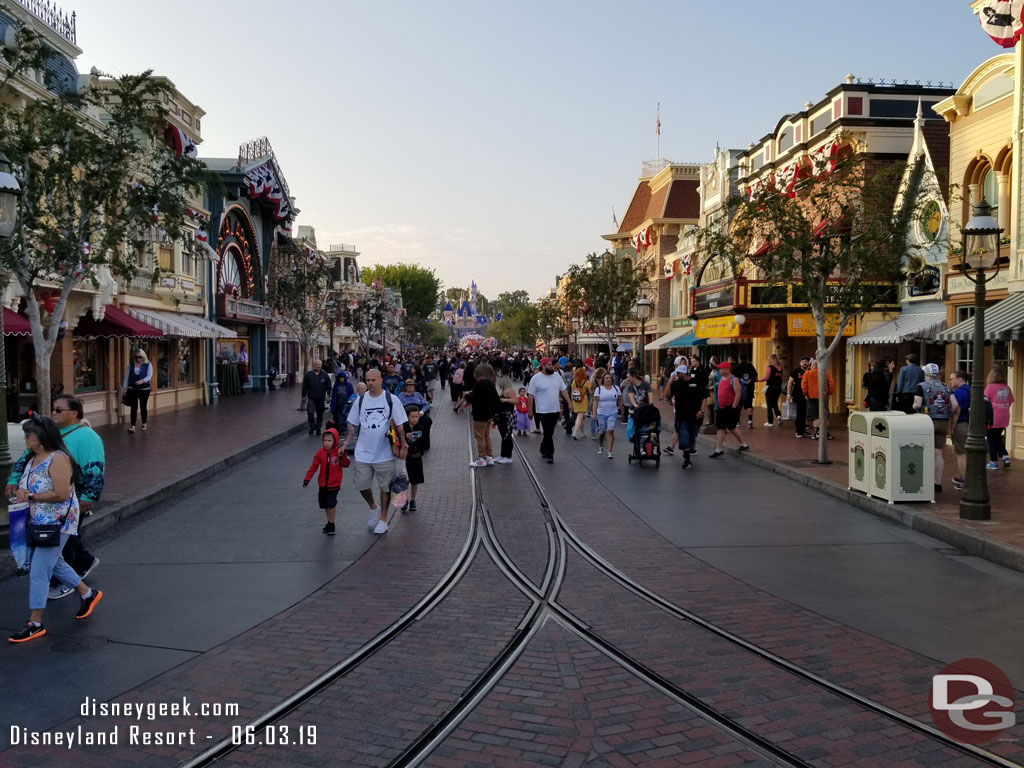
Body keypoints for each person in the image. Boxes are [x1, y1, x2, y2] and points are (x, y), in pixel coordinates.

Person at [8, 414, 102, 643]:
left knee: (40, 570)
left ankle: (35, 622)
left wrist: (30, 495)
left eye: (28, 434)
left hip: (58, 523)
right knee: (56, 564)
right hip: (39, 521)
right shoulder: (33, 459)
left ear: (40, 437)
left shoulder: (58, 459)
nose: (25, 437)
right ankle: (88, 594)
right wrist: (19, 492)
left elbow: (60, 494)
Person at [341, 368, 408, 535]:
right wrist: (345, 443)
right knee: (362, 484)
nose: (370, 383)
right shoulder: (360, 401)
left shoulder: (391, 400)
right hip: (363, 452)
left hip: (384, 453)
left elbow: (400, 427)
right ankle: (373, 506)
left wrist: (404, 445)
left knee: (385, 487)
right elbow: (352, 426)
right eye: (367, 380)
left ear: (380, 380)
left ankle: (383, 519)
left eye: (373, 380)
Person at [302, 427, 350, 535]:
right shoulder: (320, 453)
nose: (327, 443)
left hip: (334, 484)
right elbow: (313, 467)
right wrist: (307, 479)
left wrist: (342, 457)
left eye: (329, 441)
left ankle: (332, 524)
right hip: (323, 484)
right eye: (325, 440)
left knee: (331, 504)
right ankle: (329, 522)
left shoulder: (339, 452)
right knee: (325, 504)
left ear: (335, 441)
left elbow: (346, 464)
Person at [914, 362, 952, 493]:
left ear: (927, 374)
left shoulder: (922, 386)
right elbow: (953, 404)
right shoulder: (947, 387)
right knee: (938, 452)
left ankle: (926, 480)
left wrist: (914, 408)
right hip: (943, 421)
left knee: (925, 451)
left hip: (927, 421)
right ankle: (938, 483)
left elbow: (917, 404)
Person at [527, 357, 571, 464]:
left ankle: (543, 447)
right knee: (547, 431)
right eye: (549, 365)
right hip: (542, 410)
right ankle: (550, 453)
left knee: (549, 432)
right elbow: (531, 395)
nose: (552, 367)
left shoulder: (557, 376)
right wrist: (530, 410)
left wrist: (569, 402)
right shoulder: (536, 378)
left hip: (555, 409)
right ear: (543, 366)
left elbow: (563, 390)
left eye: (552, 364)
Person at [670, 365, 707, 469]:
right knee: (684, 436)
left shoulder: (698, 383)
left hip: (695, 415)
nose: (676, 375)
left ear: (683, 373)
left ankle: (688, 451)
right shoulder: (676, 385)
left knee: (692, 436)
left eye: (678, 373)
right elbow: (667, 395)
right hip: (681, 416)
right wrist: (669, 382)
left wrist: (702, 410)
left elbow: (705, 397)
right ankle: (686, 459)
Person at [709, 362, 749, 458]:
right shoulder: (722, 379)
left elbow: (738, 394)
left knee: (732, 427)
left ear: (727, 369)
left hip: (730, 407)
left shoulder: (734, 379)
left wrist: (733, 407)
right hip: (721, 407)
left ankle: (743, 444)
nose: (720, 370)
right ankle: (718, 449)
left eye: (721, 369)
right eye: (719, 369)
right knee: (721, 427)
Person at [465, 363, 500, 467]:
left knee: (479, 436)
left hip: (480, 415)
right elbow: (496, 399)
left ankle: (481, 458)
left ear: (477, 374)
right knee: (486, 435)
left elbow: (476, 399)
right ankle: (489, 457)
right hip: (489, 415)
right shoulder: (490, 383)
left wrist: (467, 396)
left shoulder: (479, 384)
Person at [401, 406, 431, 511]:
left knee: (415, 480)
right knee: (403, 480)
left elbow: (425, 441)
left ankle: (413, 500)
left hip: (416, 456)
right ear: (407, 417)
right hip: (404, 457)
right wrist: (405, 436)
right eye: (412, 417)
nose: (415, 419)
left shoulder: (421, 427)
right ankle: (403, 501)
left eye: (416, 416)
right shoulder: (403, 427)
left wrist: (418, 437)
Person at [984, 366, 1014, 469]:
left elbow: (985, 402)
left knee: (991, 439)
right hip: (1004, 416)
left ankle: (993, 461)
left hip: (992, 417)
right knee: (997, 437)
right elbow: (1010, 402)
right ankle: (1005, 456)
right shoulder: (1007, 388)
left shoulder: (990, 387)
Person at [948, 369, 971, 491]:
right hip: (973, 426)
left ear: (960, 378)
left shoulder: (958, 392)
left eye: (952, 378)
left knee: (961, 454)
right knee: (970, 453)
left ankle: (965, 480)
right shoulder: (972, 390)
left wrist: (952, 428)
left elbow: (956, 409)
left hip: (962, 424)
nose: (950, 380)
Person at [802, 358, 834, 440]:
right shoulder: (826, 373)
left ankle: (817, 432)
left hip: (812, 396)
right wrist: (830, 393)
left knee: (815, 415)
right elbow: (831, 383)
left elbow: (804, 385)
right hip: (823, 396)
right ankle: (825, 432)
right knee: (824, 415)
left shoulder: (807, 373)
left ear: (812, 366)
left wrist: (805, 394)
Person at [592, 371, 621, 459]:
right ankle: (601, 445)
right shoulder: (599, 389)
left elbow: (620, 400)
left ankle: (609, 451)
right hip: (601, 413)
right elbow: (595, 401)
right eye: (606, 378)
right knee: (602, 431)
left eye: (610, 378)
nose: (608, 379)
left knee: (610, 430)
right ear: (603, 380)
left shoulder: (616, 388)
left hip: (613, 412)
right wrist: (594, 413)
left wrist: (622, 411)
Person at [122, 349, 152, 433]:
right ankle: (132, 426)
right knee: (133, 407)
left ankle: (144, 423)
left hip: (144, 389)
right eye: (136, 357)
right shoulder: (131, 365)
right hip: (133, 389)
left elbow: (149, 376)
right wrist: (124, 387)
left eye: (140, 357)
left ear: (143, 357)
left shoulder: (148, 364)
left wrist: (142, 381)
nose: (138, 359)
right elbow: (127, 376)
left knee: (143, 406)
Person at [302, 359, 333, 436]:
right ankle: (312, 427)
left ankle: (318, 428)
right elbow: (304, 386)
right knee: (310, 412)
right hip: (311, 397)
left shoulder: (325, 375)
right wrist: (303, 396)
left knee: (320, 414)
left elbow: (329, 387)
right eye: (316, 364)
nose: (318, 366)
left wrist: (328, 396)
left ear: (321, 365)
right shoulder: (308, 375)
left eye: (319, 365)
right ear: (313, 365)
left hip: (321, 398)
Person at [494, 373, 517, 463]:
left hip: (507, 416)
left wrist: (505, 400)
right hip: (502, 416)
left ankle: (508, 457)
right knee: (504, 436)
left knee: (507, 436)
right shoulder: (504, 390)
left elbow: (516, 400)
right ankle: (503, 455)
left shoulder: (509, 390)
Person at [731, 354, 758, 430]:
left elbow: (732, 377)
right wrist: (751, 381)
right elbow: (756, 377)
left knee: (738, 405)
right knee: (749, 405)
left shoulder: (736, 367)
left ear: (739, 359)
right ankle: (750, 421)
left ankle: (737, 422)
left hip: (739, 389)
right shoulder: (750, 366)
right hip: (749, 388)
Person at [787, 357, 811, 437]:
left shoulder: (810, 371)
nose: (804, 363)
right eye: (802, 362)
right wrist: (788, 394)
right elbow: (790, 382)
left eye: (806, 362)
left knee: (804, 413)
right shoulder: (796, 371)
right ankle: (798, 431)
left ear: (808, 363)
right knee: (798, 413)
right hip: (797, 395)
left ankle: (803, 430)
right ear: (800, 363)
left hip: (807, 395)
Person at [759, 354, 784, 426]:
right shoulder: (780, 368)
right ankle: (778, 415)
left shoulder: (770, 367)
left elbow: (766, 378)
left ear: (772, 359)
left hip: (770, 387)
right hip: (778, 388)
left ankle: (770, 422)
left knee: (769, 404)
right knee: (775, 403)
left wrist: (758, 380)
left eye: (769, 359)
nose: (768, 360)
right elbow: (782, 379)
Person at [569, 366, 591, 440]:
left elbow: (572, 392)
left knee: (581, 417)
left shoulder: (574, 382)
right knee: (580, 417)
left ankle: (582, 433)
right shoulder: (586, 382)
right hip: (583, 400)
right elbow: (590, 392)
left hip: (575, 400)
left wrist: (572, 402)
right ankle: (575, 433)